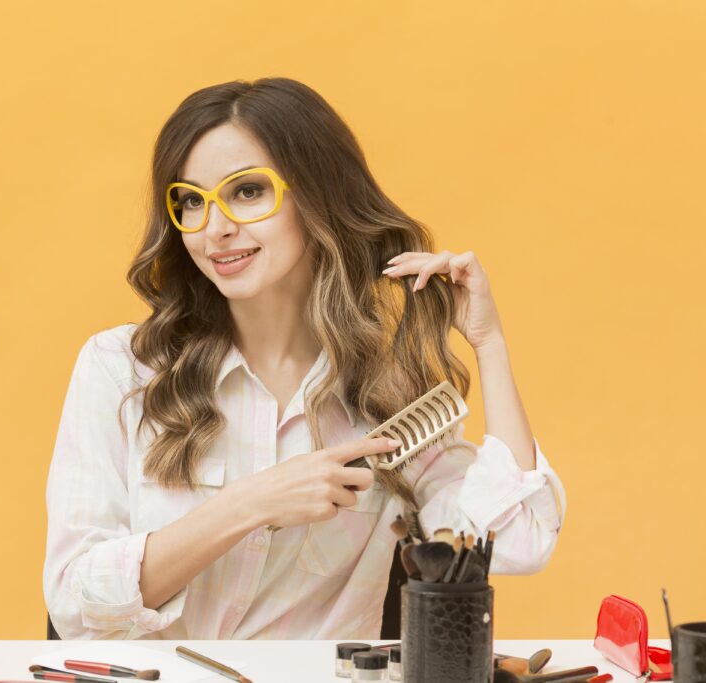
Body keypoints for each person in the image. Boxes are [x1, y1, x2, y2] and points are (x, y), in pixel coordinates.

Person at [43, 78, 566, 640]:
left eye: (247, 191)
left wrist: (489, 343)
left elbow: (520, 538)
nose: (216, 229)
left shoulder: (388, 395)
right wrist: (251, 504)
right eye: (192, 201)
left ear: (318, 197)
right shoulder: (123, 370)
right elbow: (73, 601)